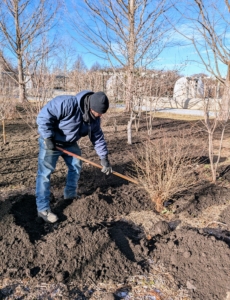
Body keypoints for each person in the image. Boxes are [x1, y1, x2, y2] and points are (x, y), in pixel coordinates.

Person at [36, 90, 112, 223]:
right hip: (52, 141)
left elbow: (97, 137)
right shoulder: (66, 103)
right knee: (45, 173)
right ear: (90, 107)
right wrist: (47, 137)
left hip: (70, 143)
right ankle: (43, 209)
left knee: (76, 166)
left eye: (101, 113)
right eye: (98, 112)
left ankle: (70, 194)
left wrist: (104, 158)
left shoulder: (94, 119)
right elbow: (43, 117)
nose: (99, 115)